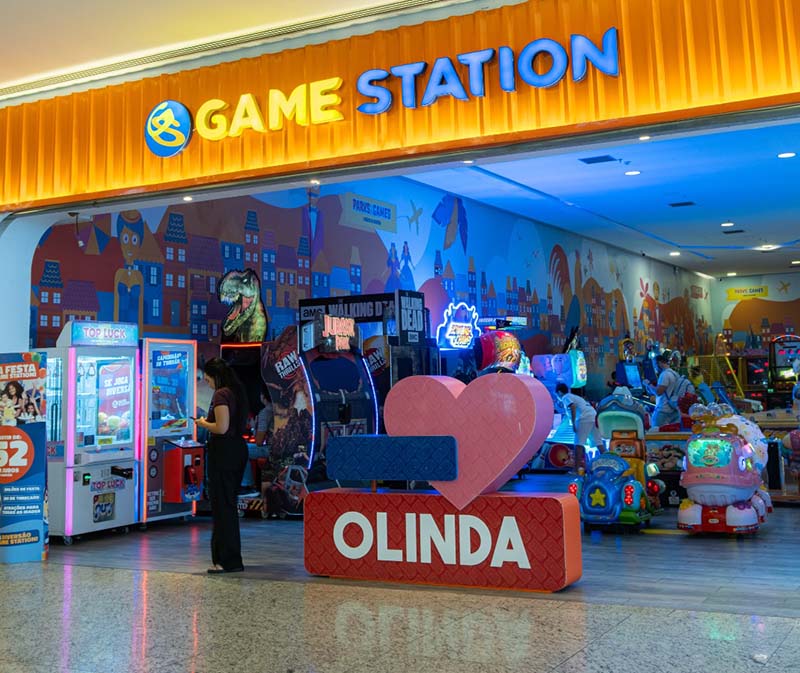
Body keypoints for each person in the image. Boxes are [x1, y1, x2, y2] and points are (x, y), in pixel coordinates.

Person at [195, 358, 249, 574]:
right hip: (237, 451)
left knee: (222, 508)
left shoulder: (221, 394)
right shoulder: (237, 392)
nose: (208, 384)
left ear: (215, 376)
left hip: (224, 453)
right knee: (228, 505)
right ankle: (231, 558)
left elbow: (221, 427)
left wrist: (203, 423)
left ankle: (226, 560)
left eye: (208, 380)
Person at [555, 382, 602, 455]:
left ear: (559, 392)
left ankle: (577, 462)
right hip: (593, 416)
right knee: (598, 442)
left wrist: (574, 424)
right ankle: (608, 459)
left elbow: (572, 406)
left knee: (578, 444)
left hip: (584, 418)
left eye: (557, 395)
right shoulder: (575, 397)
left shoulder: (565, 397)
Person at [647, 353, 681, 428]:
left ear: (659, 363)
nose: (655, 368)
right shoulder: (675, 374)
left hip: (663, 410)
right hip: (674, 410)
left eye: (655, 365)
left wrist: (648, 384)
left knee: (655, 432)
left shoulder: (665, 375)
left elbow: (658, 392)